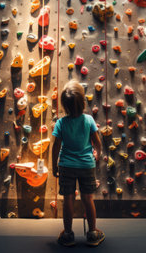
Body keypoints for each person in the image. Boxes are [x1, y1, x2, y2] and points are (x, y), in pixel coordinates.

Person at [51, 80, 105, 247]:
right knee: (88, 198)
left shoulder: (61, 123)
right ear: (83, 103)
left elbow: (56, 147)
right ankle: (93, 233)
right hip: (86, 166)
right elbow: (97, 143)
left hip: (66, 166)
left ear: (64, 106)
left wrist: (54, 165)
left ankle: (68, 235)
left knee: (68, 199)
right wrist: (97, 155)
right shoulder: (88, 120)